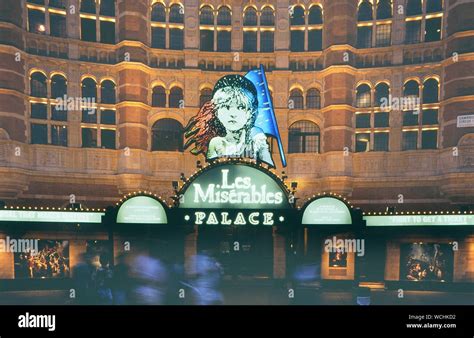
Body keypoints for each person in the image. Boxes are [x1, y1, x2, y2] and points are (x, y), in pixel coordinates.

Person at [184, 75, 274, 166]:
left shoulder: (256, 136)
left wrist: (260, 144)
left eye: (241, 107)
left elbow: (267, 164)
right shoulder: (215, 143)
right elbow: (211, 171)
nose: (233, 114)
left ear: (251, 112)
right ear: (216, 112)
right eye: (226, 107)